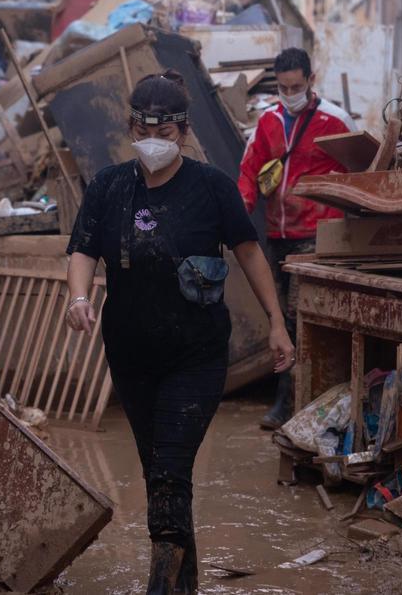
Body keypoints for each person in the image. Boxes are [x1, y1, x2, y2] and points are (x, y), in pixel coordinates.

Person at [65, 70, 295, 594]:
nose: (155, 141)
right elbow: (82, 248)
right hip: (130, 357)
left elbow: (250, 253)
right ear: (131, 127)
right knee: (160, 471)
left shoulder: (211, 188)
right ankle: (185, 581)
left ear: (184, 132)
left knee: (170, 466)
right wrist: (78, 298)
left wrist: (277, 324)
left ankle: (159, 587)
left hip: (196, 356)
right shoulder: (108, 187)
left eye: (165, 133)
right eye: (145, 129)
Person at [237, 47, 357, 430]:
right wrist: (239, 215)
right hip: (278, 234)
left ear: (310, 80)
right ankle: (291, 399)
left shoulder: (335, 120)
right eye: (284, 86)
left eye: (297, 85)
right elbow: (248, 173)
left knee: (296, 315)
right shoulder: (268, 123)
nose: (291, 93)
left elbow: (359, 171)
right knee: (280, 318)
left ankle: (288, 402)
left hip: (318, 235)